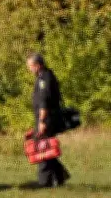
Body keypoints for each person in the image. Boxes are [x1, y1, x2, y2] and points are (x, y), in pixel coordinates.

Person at [27, 52, 70, 187]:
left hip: (46, 119)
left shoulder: (44, 79)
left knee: (42, 148)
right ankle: (60, 176)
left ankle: (44, 182)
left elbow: (44, 101)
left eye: (30, 66)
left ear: (37, 65)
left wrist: (41, 121)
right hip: (46, 118)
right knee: (48, 148)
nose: (29, 69)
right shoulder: (44, 76)